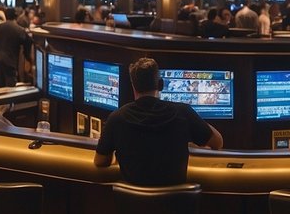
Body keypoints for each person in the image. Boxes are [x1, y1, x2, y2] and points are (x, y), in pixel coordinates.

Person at [94, 57, 223, 185]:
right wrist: (195, 123)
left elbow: (100, 161)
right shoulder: (183, 113)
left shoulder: (116, 118)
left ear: (133, 86)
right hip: (174, 203)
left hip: (133, 204)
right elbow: (217, 142)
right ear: (160, 84)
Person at [0, 14, 28, 87]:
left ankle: (0, 98)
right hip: (10, 59)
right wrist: (27, 56)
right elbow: (27, 42)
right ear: (16, 17)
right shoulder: (19, 30)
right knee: (10, 85)